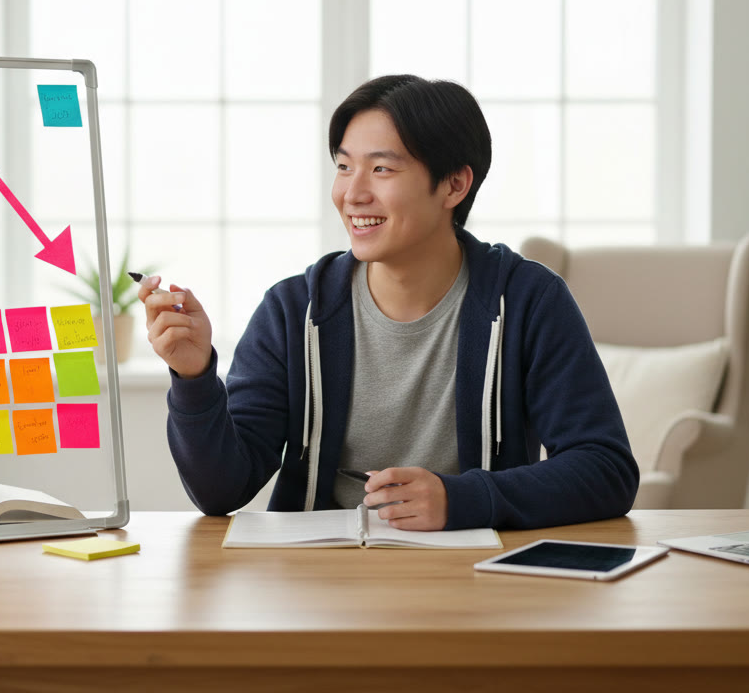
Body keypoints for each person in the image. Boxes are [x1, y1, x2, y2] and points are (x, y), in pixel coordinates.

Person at [137, 74, 638, 531]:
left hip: (475, 583)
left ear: (454, 185)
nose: (352, 194)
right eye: (343, 167)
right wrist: (195, 376)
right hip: (317, 586)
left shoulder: (529, 301)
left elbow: (606, 468)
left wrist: (460, 499)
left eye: (381, 169)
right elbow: (220, 490)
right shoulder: (294, 310)